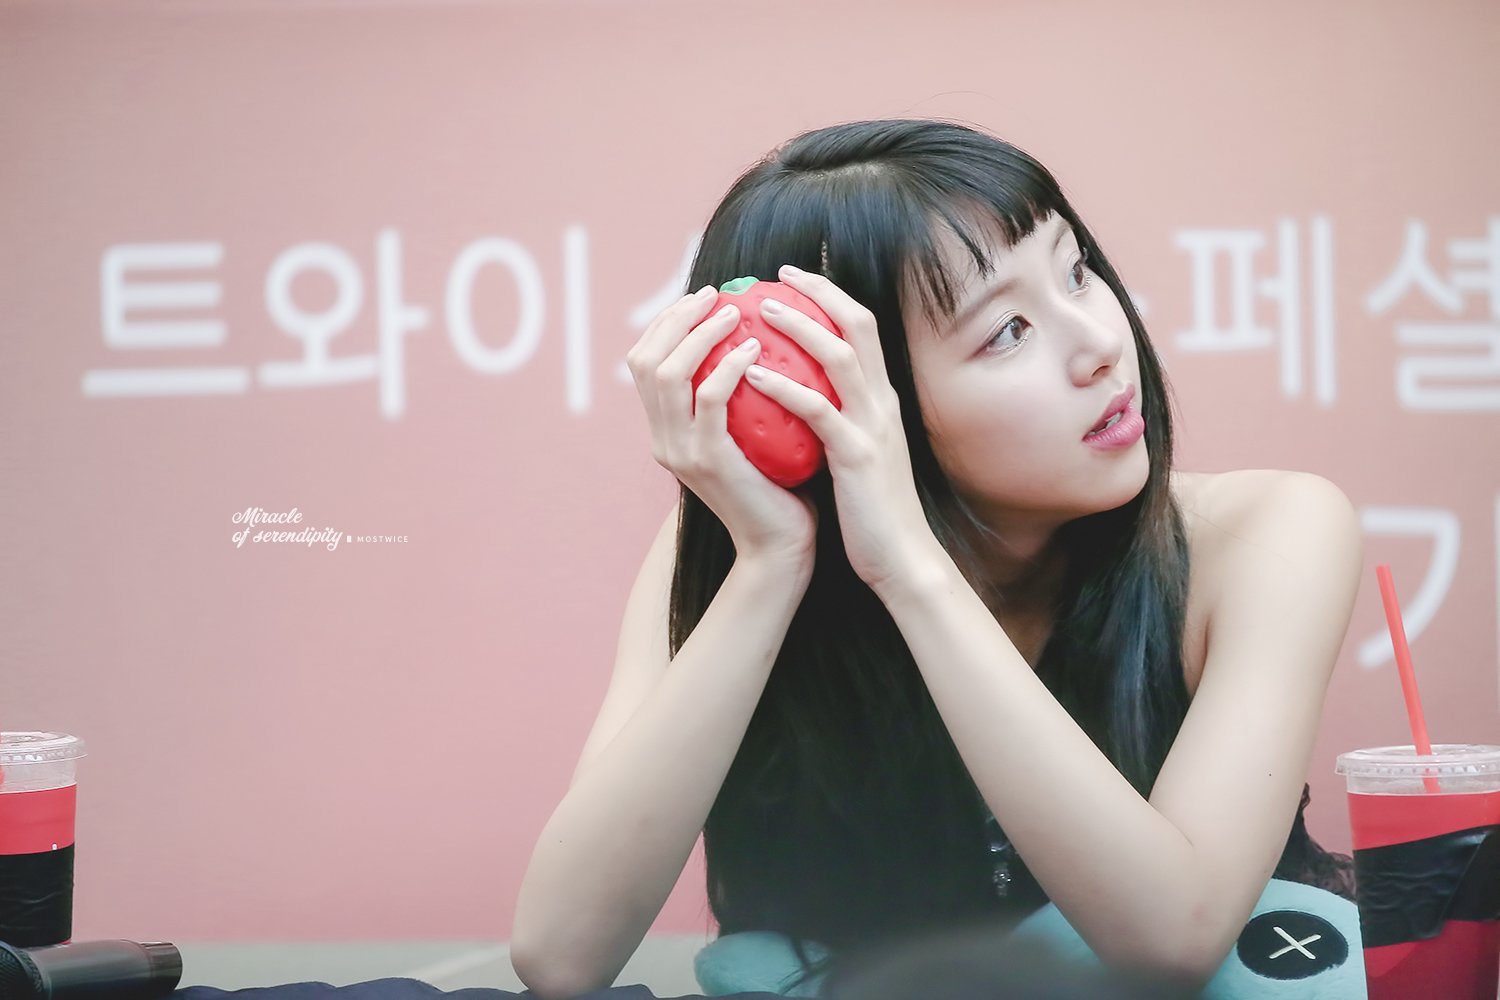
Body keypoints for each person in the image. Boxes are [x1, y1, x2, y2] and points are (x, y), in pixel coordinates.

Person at [510, 118, 1362, 1000]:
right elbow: (561, 957)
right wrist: (770, 564)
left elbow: (1173, 938)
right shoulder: (738, 556)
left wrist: (911, 570)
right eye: (1008, 331)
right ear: (840, 396)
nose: (1100, 344)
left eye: (1077, 271)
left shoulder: (1267, 534)